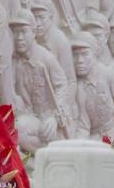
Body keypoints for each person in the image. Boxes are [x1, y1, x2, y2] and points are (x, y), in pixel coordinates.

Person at [9, 9, 70, 153]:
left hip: (47, 118)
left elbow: (62, 86)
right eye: (16, 32)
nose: (19, 37)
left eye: (23, 32)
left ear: (34, 32)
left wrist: (55, 118)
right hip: (29, 117)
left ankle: (54, 154)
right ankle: (47, 156)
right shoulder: (14, 61)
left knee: (20, 130)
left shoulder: (45, 58)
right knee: (17, 129)